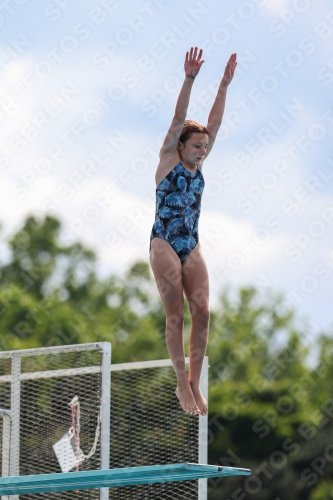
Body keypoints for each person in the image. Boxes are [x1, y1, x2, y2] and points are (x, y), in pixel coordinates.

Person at [149, 47, 237, 416]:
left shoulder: (200, 161)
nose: (203, 150)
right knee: (176, 316)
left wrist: (225, 83)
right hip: (164, 242)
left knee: (203, 312)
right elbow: (179, 117)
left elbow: (213, 124)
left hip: (192, 243)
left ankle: (193, 385)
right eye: (197, 145)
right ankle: (180, 383)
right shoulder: (169, 157)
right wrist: (190, 78)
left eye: (205, 146)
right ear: (181, 145)